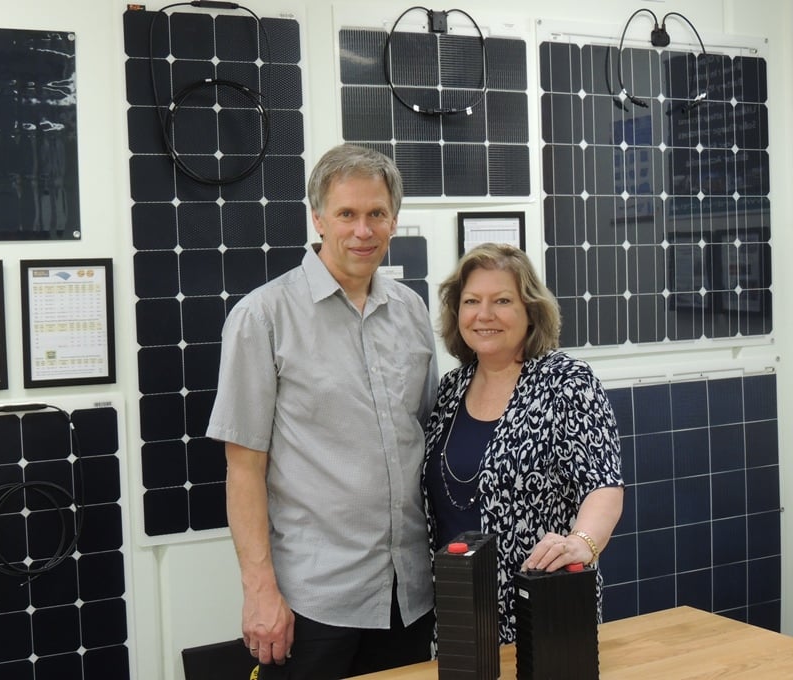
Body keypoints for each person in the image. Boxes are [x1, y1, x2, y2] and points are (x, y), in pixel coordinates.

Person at [206, 144, 439, 679]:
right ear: (318, 218)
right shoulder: (262, 317)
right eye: (347, 214)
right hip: (315, 600)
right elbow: (243, 469)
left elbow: (425, 437)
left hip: (408, 594)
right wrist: (260, 592)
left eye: (376, 213)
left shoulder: (411, 310)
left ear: (393, 220)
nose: (364, 230)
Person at [422, 242, 624, 645]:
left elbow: (603, 485)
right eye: (471, 301)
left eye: (502, 300)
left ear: (530, 310)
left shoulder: (566, 381)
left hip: (542, 609)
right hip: (457, 616)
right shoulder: (450, 389)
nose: (484, 315)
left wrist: (581, 543)